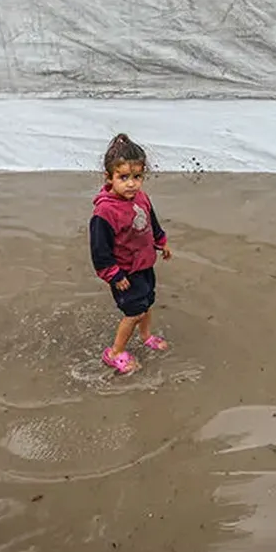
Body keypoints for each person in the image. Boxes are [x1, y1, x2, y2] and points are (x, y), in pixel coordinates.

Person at [89, 134, 172, 374]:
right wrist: (114, 275)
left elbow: (150, 221)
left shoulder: (141, 197)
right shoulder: (104, 212)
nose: (131, 184)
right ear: (109, 177)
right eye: (123, 177)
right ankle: (114, 353)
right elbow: (99, 250)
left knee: (146, 305)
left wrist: (161, 241)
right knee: (133, 312)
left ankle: (146, 336)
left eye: (137, 177)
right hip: (124, 272)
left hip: (144, 264)